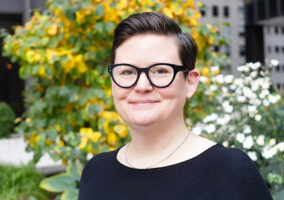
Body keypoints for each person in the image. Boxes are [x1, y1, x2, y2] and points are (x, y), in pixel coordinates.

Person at [78, 12, 272, 200]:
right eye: (127, 72)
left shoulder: (229, 170)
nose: (142, 86)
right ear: (112, 81)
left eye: (160, 71)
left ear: (190, 82)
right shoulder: (96, 172)